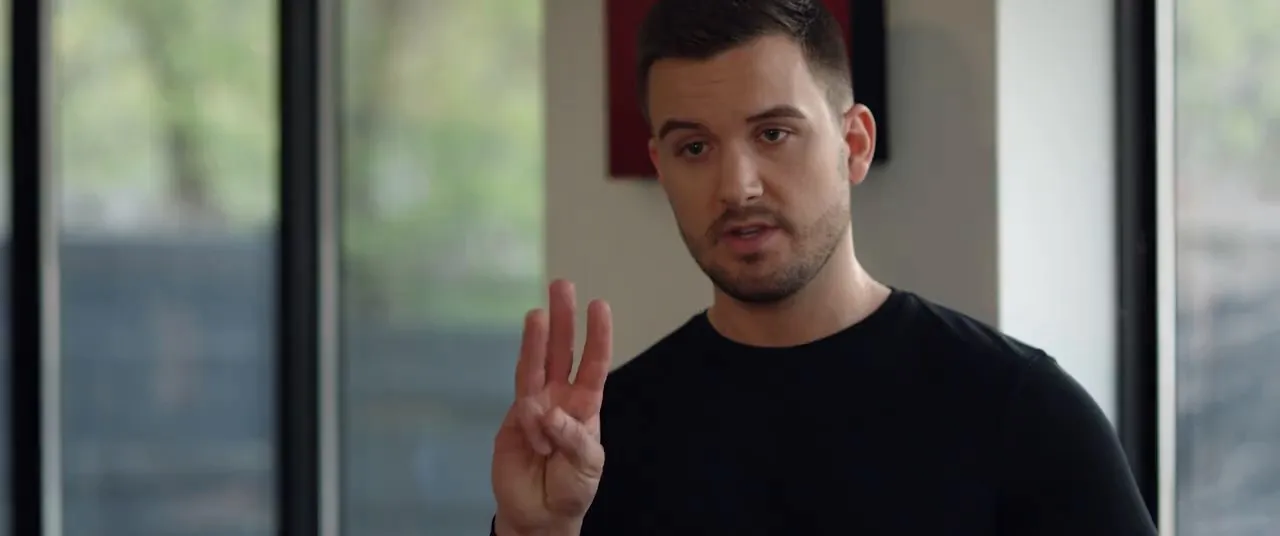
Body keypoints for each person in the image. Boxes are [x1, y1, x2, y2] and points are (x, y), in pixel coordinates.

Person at [488, 0, 1157, 534]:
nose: (737, 186)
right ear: (662, 168)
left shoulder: (1022, 413)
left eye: (773, 134)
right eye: (695, 147)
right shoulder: (602, 444)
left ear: (853, 144)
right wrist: (534, 534)